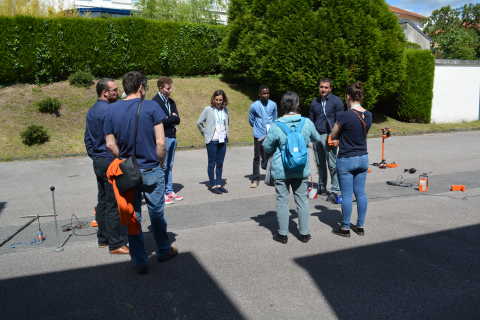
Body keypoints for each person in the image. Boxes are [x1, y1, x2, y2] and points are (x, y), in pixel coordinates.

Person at [104, 71, 178, 275]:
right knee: (156, 211)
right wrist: (161, 162)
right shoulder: (152, 107)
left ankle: (140, 260)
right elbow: (161, 142)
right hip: (151, 167)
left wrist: (126, 159)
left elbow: (110, 144)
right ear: (140, 87)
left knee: (133, 214)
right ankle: (163, 249)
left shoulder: (111, 110)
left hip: (127, 170)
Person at [263, 92, 320, 244]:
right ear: (298, 105)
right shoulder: (306, 122)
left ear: (282, 106)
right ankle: (305, 233)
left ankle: (282, 234)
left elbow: (267, 147)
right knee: (302, 200)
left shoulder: (276, 125)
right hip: (301, 168)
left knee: (282, 200)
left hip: (281, 169)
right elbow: (317, 138)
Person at [84, 78, 128, 255]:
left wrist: (95, 156)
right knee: (112, 202)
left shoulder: (91, 111)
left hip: (98, 160)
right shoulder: (111, 110)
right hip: (109, 161)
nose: (118, 93)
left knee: (102, 199)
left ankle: (103, 239)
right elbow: (118, 137)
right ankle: (115, 244)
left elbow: (87, 138)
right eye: (115, 90)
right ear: (105, 92)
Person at [330, 82, 372, 237]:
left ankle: (345, 228)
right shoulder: (368, 115)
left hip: (346, 158)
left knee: (347, 194)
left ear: (348, 96)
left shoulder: (344, 115)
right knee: (360, 193)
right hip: (363, 158)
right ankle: (360, 226)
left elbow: (334, 135)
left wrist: (339, 139)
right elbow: (359, 134)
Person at [309, 77, 344, 203]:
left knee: (333, 164)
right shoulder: (314, 102)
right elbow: (311, 120)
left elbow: (340, 121)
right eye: (321, 87)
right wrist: (310, 137)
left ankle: (335, 190)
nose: (323, 89)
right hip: (316, 136)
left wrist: (337, 137)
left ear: (330, 88)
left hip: (330, 136)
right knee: (320, 164)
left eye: (326, 87)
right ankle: (322, 187)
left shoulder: (336, 101)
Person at [152, 76, 182, 205]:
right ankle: (162, 192)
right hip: (162, 138)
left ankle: (169, 190)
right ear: (161, 88)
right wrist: (171, 118)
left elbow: (178, 120)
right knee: (162, 167)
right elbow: (160, 122)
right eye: (168, 88)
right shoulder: (155, 102)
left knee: (169, 166)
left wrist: (170, 118)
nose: (170, 90)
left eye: (170, 88)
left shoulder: (171, 102)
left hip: (173, 136)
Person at [196, 90, 230, 194]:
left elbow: (227, 122)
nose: (219, 102)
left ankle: (219, 184)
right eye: (216, 100)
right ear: (213, 99)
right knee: (212, 163)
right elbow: (199, 123)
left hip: (222, 139)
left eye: (220, 100)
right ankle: (213, 185)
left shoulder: (225, 109)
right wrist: (206, 134)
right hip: (212, 140)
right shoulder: (208, 109)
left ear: (223, 100)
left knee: (220, 163)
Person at [249, 85, 278, 188]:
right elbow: (251, 120)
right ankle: (255, 179)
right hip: (258, 134)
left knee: (272, 156)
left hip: (270, 134)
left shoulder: (273, 104)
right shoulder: (254, 106)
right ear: (259, 94)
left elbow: (274, 118)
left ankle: (272, 177)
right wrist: (258, 127)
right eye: (264, 93)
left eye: (267, 93)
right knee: (257, 156)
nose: (266, 95)